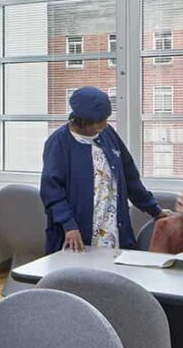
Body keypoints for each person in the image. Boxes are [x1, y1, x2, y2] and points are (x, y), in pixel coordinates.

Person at [41, 86, 168, 253]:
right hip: (77, 233)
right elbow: (52, 191)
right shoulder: (59, 142)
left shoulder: (108, 134)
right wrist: (69, 226)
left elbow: (130, 177)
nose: (104, 125)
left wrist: (155, 210)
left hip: (113, 230)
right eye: (99, 121)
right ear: (83, 120)